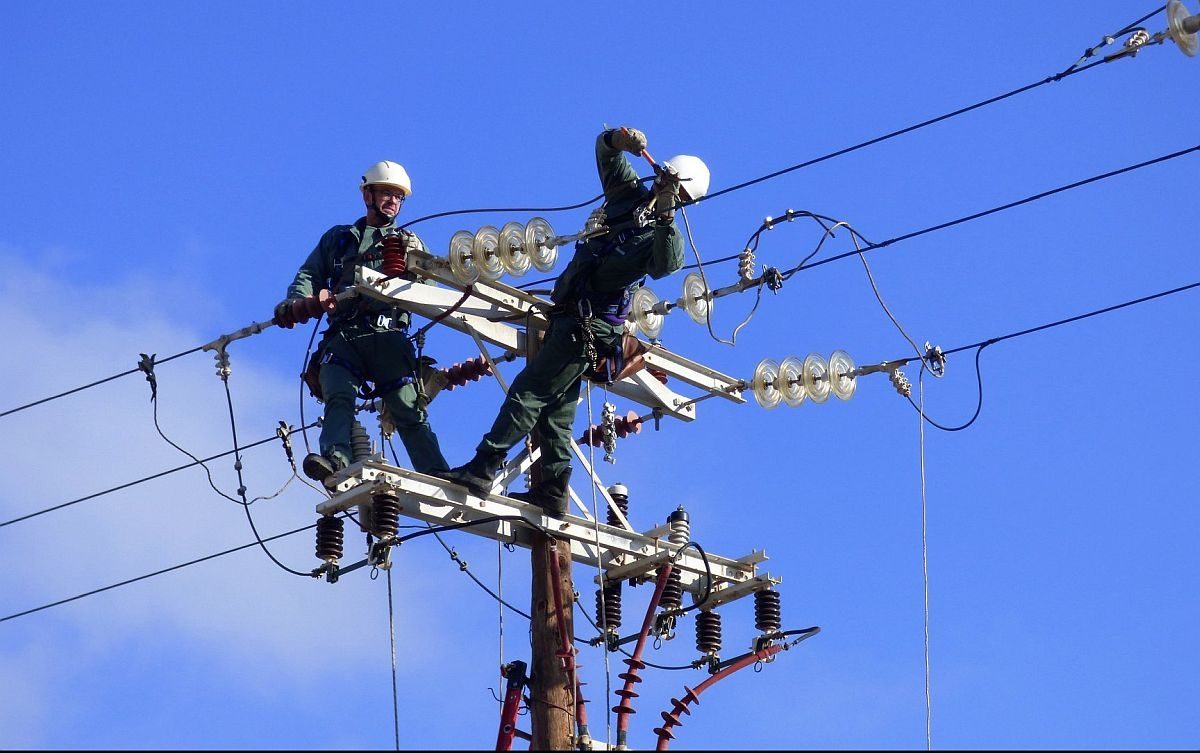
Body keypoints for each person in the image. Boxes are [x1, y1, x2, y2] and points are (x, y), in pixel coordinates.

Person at [437, 127, 710, 516]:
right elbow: (606, 153)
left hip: (590, 327)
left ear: (683, 201)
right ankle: (552, 490)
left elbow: (668, 264)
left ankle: (484, 466)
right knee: (556, 410)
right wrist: (620, 139)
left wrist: (666, 213)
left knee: (530, 392)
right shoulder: (626, 196)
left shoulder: (664, 236)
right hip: (570, 315)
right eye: (666, 184)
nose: (666, 191)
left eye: (676, 193)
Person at [274, 160, 450, 485]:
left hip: (388, 337)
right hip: (345, 336)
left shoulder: (408, 243)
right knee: (338, 396)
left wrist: (421, 264)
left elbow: (432, 294)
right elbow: (310, 274)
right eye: (386, 193)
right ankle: (335, 459)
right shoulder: (340, 239)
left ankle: (437, 473)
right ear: (367, 195)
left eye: (398, 197)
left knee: (408, 409)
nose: (393, 202)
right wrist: (296, 301)